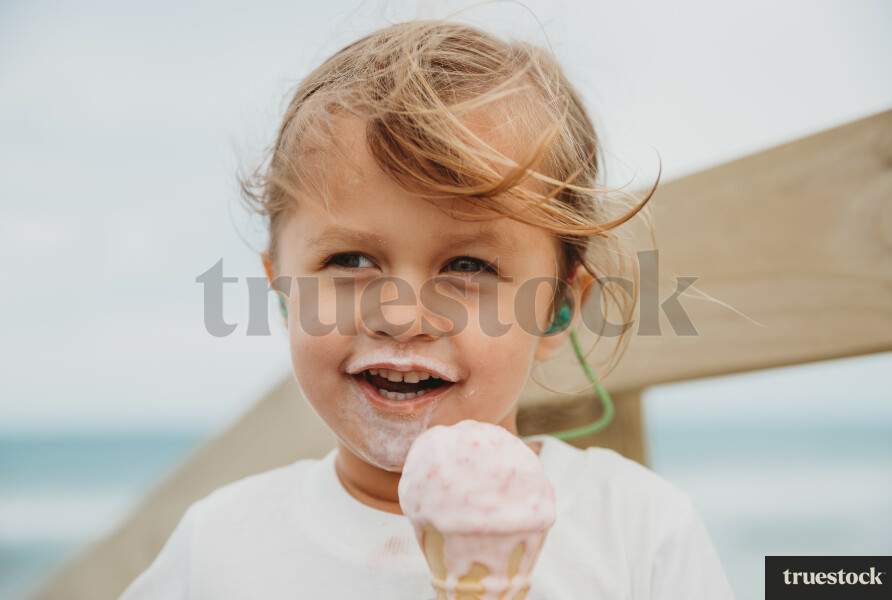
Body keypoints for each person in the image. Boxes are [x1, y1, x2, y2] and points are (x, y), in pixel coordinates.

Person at [120, 19, 734, 599]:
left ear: (558, 310)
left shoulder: (638, 532)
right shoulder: (219, 550)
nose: (402, 315)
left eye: (468, 267)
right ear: (283, 288)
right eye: (351, 261)